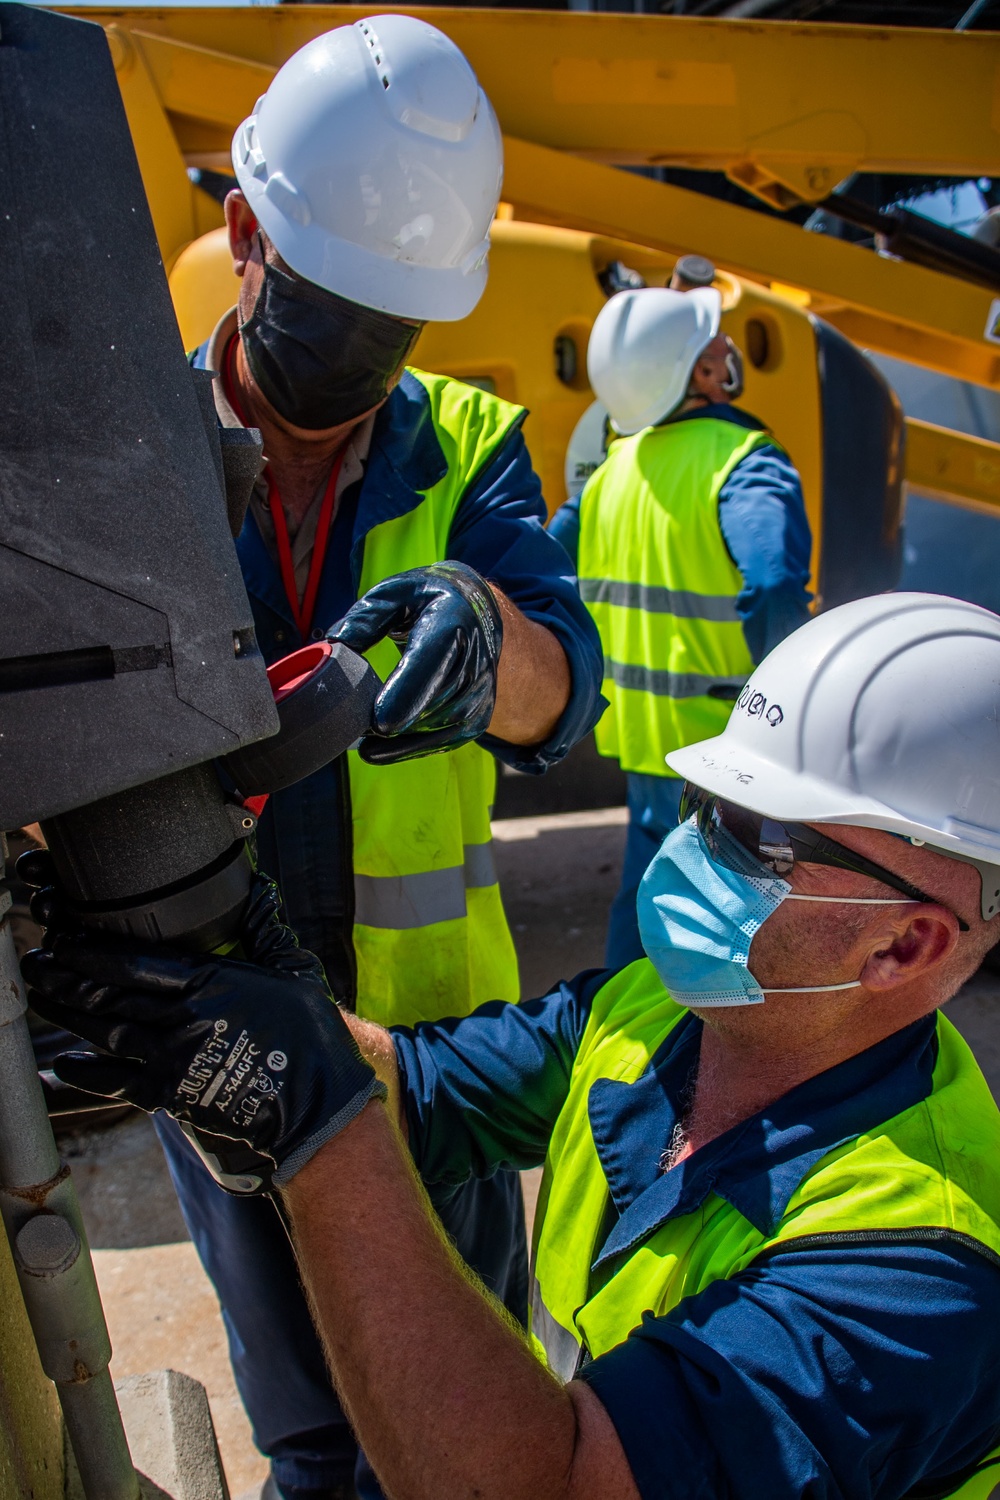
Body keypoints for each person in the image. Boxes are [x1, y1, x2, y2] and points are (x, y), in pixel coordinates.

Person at [25, 590, 1000, 1500]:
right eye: (705, 803)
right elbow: (417, 1090)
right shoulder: (651, 1015)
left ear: (904, 942)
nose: (691, 848)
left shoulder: (917, 1269)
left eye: (758, 837)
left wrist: (318, 1126)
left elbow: (561, 1480)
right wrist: (251, 983)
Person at [161, 17, 603, 1499]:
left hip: (425, 1056)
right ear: (245, 237)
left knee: (466, 1417)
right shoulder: (126, 450)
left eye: (391, 333)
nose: (354, 372)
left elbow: (563, 685)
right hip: (216, 1026)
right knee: (310, 1424)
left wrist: (491, 638)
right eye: (333, 316)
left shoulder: (466, 438)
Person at [550, 284, 812, 968]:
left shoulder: (609, 475)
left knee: (647, 909)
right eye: (715, 339)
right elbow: (775, 585)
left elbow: (546, 569)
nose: (727, 347)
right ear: (699, 372)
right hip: (732, 746)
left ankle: (613, 1040)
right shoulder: (743, 459)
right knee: (733, 934)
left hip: (643, 741)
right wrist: (794, 705)